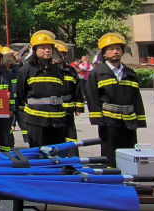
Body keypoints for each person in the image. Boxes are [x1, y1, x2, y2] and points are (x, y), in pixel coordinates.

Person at [86, 32, 147, 166]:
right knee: (110, 154)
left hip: (129, 121)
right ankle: (111, 175)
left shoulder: (130, 73)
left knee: (129, 154)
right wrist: (97, 118)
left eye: (118, 49)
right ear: (104, 53)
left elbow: (137, 97)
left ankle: (128, 176)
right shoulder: (97, 73)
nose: (115, 52)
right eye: (111, 49)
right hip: (109, 121)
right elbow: (92, 97)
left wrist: (140, 119)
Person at [15, 31, 67, 148]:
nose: (47, 50)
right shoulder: (26, 70)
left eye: (49, 48)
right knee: (38, 152)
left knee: (56, 153)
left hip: (57, 119)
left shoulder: (57, 70)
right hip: (36, 120)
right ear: (34, 50)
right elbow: (20, 95)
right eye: (43, 48)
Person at [54, 40, 83, 153]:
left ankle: (72, 158)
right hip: (53, 110)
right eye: (57, 54)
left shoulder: (70, 71)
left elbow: (77, 89)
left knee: (70, 137)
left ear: (65, 55)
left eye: (62, 54)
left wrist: (79, 107)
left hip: (68, 111)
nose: (59, 56)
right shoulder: (47, 70)